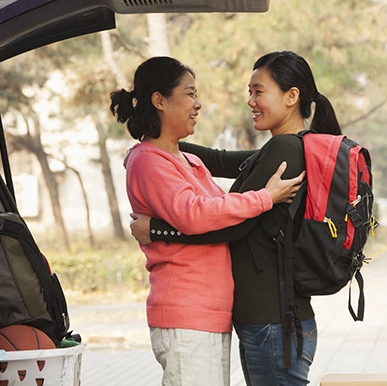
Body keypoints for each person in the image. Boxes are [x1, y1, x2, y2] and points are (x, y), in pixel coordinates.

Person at [130, 51, 343, 386]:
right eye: (250, 92)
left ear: (291, 97)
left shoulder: (284, 150)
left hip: (271, 318)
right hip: (272, 317)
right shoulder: (292, 147)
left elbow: (231, 225)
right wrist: (161, 140)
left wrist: (156, 229)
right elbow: (220, 160)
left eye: (259, 92)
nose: (250, 101)